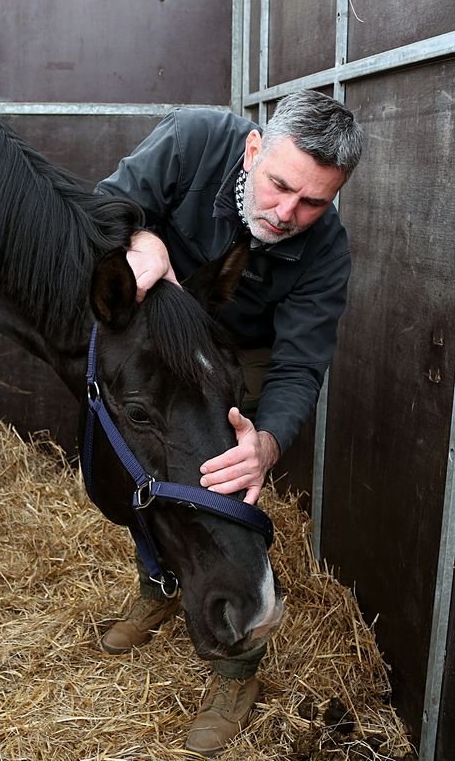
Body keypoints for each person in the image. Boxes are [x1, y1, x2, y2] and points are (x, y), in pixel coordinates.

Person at [94, 90, 363, 757]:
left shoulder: (325, 251)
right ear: (252, 150)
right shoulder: (192, 140)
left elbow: (300, 367)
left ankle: (236, 665)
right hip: (160, 326)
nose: (287, 214)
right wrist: (142, 237)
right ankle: (158, 583)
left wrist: (264, 445)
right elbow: (100, 205)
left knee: (222, 478)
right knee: (146, 459)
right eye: (280, 186)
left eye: (314, 202)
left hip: (239, 353)